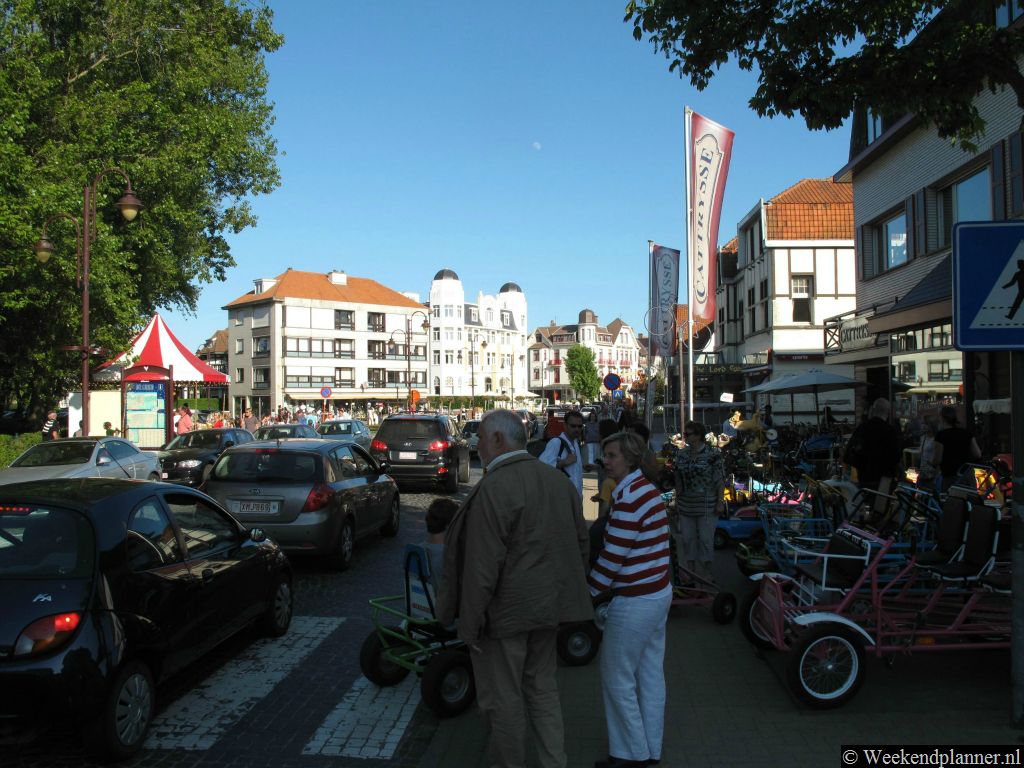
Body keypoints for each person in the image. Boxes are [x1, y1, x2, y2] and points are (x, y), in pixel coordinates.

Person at [436, 409, 591, 768]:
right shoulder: (556, 481)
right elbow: (580, 544)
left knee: (503, 701)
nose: (477, 447)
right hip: (548, 609)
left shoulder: (494, 487)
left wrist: (469, 623)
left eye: (480, 440)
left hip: (505, 616)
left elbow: (481, 567)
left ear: (497, 440)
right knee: (543, 690)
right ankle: (555, 762)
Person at [589, 431, 672, 768]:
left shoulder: (632, 496)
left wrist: (588, 596)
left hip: (635, 600)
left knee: (617, 677)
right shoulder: (644, 490)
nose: (605, 461)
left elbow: (612, 557)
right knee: (650, 675)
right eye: (605, 455)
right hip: (656, 593)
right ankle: (650, 749)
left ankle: (630, 755)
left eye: (611, 456)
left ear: (630, 458)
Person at [674, 421, 726, 580]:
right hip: (686, 504)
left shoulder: (713, 454)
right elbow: (677, 476)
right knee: (687, 540)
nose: (685, 437)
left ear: (697, 436)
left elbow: (720, 479)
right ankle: (691, 573)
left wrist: (720, 501)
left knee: (705, 540)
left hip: (707, 505)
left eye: (688, 434)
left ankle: (706, 574)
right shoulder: (682, 454)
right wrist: (677, 496)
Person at [843, 398, 902, 491]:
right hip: (884, 481)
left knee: (865, 503)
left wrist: (861, 465)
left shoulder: (862, 428)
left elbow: (848, 454)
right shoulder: (891, 431)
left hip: (865, 479)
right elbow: (897, 457)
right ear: (887, 412)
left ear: (873, 410)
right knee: (880, 504)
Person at [539, 410, 594, 496]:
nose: (577, 429)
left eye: (580, 426)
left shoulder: (576, 443)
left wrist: (584, 468)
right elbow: (541, 466)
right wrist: (564, 462)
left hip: (576, 498)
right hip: (560, 498)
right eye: (573, 426)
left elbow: (573, 472)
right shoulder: (556, 442)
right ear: (565, 425)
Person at [933, 405, 982, 491]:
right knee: (969, 501)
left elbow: (937, 459)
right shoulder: (966, 433)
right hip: (968, 474)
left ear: (942, 418)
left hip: (950, 476)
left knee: (952, 502)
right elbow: (977, 454)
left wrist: (932, 464)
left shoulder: (941, 435)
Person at [423, 497, 459, 591]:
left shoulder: (415, 551)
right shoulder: (449, 556)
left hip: (418, 604)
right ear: (449, 525)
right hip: (441, 604)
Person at [917, 418, 939, 490]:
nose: (923, 426)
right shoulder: (922, 438)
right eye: (922, 423)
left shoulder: (936, 439)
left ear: (931, 425)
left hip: (932, 474)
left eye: (925, 424)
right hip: (922, 473)